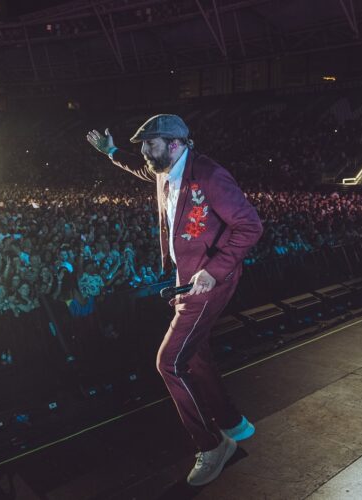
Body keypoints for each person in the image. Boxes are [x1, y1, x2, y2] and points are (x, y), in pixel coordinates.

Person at [87, 114, 263, 486]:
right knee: (195, 354)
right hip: (190, 278)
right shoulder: (164, 169)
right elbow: (140, 168)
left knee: (169, 363)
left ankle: (213, 444)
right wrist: (111, 152)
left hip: (208, 282)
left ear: (175, 143)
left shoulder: (210, 175)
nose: (145, 153)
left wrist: (213, 271)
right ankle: (233, 421)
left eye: (150, 145)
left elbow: (250, 225)